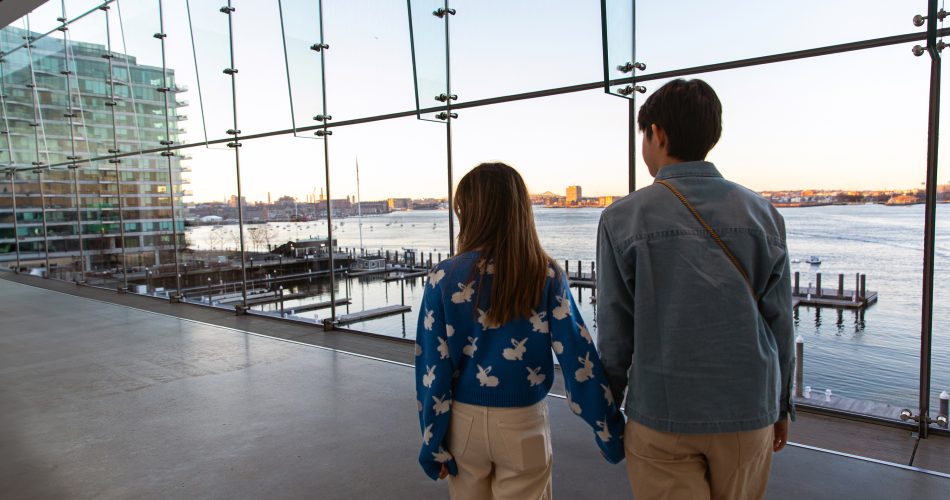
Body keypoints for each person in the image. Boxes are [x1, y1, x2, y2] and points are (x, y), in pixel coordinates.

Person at [596, 79, 795, 500]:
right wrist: (780, 405)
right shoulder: (764, 215)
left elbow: (615, 332)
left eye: (643, 136)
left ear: (657, 134)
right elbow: (780, 323)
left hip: (662, 413)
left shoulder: (622, 218)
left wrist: (608, 407)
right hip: (748, 409)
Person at [415, 162, 625, 499]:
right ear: (519, 212)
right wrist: (608, 431)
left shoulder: (443, 277)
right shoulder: (545, 275)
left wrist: (431, 442)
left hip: (463, 425)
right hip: (523, 422)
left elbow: (431, 368)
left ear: (470, 213)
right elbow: (578, 358)